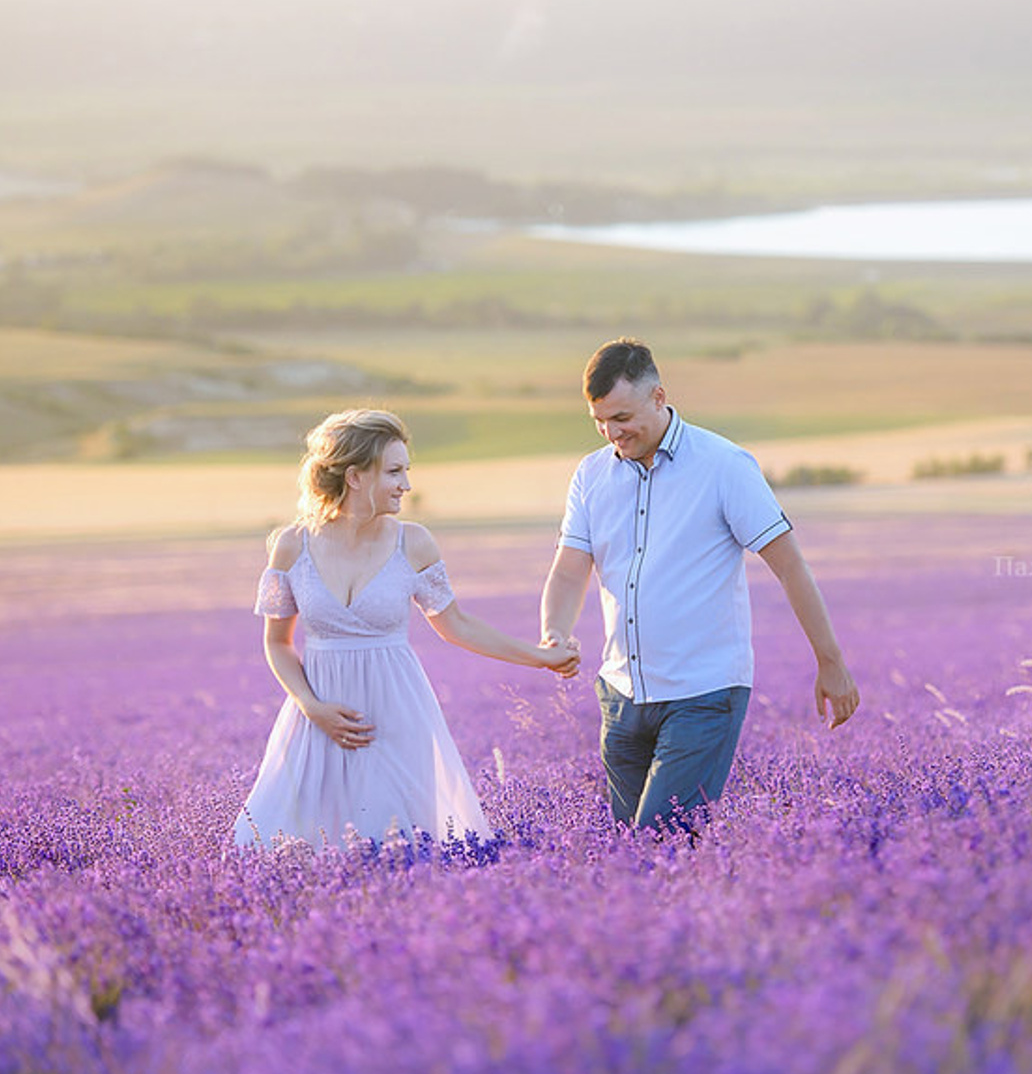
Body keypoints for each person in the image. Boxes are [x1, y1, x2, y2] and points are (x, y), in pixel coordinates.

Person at [540, 338, 859, 831]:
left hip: (703, 692)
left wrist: (830, 661)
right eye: (599, 420)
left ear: (659, 397)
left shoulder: (724, 465)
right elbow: (568, 569)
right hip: (621, 695)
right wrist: (554, 632)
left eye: (622, 417)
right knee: (630, 854)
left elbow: (790, 566)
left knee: (659, 840)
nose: (611, 432)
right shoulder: (590, 475)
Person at [234, 408, 578, 851]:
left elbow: (456, 625)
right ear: (355, 476)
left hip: (396, 716)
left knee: (401, 844)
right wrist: (311, 706)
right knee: (297, 849)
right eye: (394, 471)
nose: (407, 485)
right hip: (317, 718)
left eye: (406, 470)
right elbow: (277, 644)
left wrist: (542, 656)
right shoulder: (292, 545)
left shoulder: (413, 542)